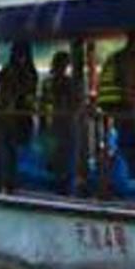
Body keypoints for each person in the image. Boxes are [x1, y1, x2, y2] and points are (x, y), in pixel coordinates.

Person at [94, 30, 135, 185]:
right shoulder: (127, 59)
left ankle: (128, 172)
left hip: (117, 110)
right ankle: (129, 177)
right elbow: (128, 90)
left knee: (126, 143)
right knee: (130, 143)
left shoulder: (122, 58)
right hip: (122, 110)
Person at [44, 50, 83, 193]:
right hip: (65, 124)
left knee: (57, 157)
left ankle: (58, 186)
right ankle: (67, 187)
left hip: (54, 123)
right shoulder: (68, 83)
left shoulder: (48, 82)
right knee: (67, 156)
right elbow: (76, 103)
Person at [1, 40, 39, 147]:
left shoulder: (29, 71)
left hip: (22, 112)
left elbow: (30, 89)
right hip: (13, 112)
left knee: (20, 140)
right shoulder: (8, 70)